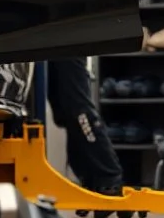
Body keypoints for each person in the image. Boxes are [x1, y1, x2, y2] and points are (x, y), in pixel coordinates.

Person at [46, 57, 126, 206]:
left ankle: (109, 178)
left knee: (80, 113)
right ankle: (90, 178)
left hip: (64, 41)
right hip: (46, 40)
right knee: (66, 115)